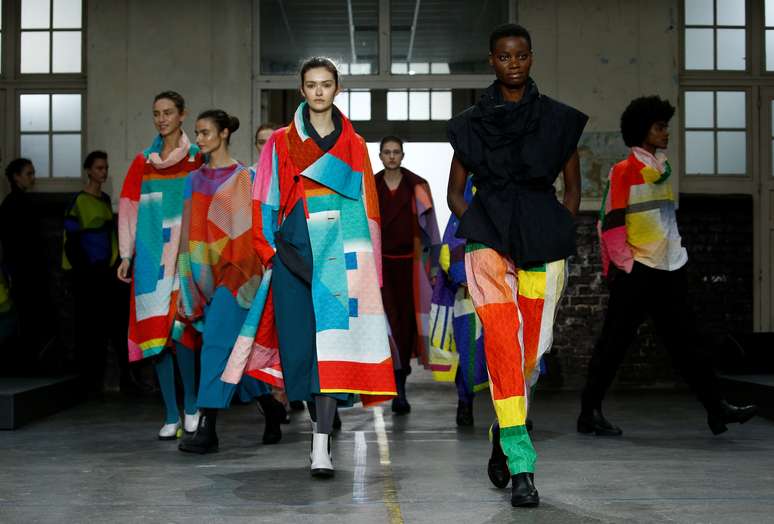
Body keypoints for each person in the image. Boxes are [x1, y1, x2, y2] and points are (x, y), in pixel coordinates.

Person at [446, 24, 587, 507]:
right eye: (504, 57)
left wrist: (558, 227)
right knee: (504, 347)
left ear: (531, 58)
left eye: (521, 56)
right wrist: (485, 226)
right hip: (488, 244)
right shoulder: (469, 124)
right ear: (492, 60)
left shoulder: (558, 121)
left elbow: (572, 189)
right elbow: (454, 192)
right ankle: (522, 466)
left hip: (542, 243)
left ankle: (502, 430)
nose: (513, 64)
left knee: (529, 357)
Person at [236, 57, 396, 478]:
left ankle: (321, 441)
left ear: (337, 89)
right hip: (291, 254)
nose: (319, 91)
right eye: (311, 85)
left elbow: (369, 207)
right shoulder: (281, 142)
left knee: (334, 352)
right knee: (301, 351)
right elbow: (264, 199)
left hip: (341, 257)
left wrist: (370, 271)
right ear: (302, 90)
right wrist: (267, 250)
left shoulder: (355, 144)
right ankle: (316, 428)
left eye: (326, 84)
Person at [578, 96, 757, 437]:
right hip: (638, 270)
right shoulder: (624, 171)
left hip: (670, 267)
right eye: (660, 127)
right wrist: (627, 266)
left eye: (665, 127)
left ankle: (716, 408)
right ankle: (589, 412)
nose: (666, 133)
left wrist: (678, 253)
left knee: (689, 342)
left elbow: (666, 219)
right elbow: (612, 224)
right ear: (642, 130)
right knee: (613, 343)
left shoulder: (663, 169)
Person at [117, 91, 202, 440]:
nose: (162, 118)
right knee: (157, 338)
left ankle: (192, 407)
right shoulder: (143, 162)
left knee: (182, 333)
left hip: (184, 255)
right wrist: (126, 254)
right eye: (157, 113)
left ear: (182, 115)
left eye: (168, 112)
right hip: (151, 259)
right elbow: (128, 207)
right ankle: (171, 414)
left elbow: (206, 202)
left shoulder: (196, 158)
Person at [374, 136, 441, 414]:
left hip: (412, 268)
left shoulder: (417, 185)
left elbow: (432, 227)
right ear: (380, 156)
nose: (391, 157)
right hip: (380, 268)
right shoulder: (371, 185)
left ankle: (400, 386)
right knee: (387, 325)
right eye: (387, 152)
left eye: (396, 152)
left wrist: (435, 266)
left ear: (402, 155)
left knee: (408, 327)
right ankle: (395, 387)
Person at [62, 151, 126, 392]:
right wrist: (84, 269)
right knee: (88, 326)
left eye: (106, 168)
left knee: (111, 325)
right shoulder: (78, 201)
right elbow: (71, 241)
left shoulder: (105, 199)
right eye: (99, 168)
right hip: (87, 273)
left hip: (106, 271)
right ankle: (87, 380)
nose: (104, 172)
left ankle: (112, 379)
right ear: (88, 170)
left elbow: (110, 235)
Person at [428, 176, 488, 427]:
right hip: (470, 290)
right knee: (469, 349)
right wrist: (464, 276)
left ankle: (517, 412)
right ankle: (465, 401)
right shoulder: (466, 192)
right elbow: (452, 242)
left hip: (508, 285)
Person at [0, 159, 53, 372]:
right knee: (26, 316)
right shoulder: (17, 204)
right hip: (25, 268)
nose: (33, 178)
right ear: (16, 176)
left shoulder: (11, 203)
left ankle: (24, 361)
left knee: (25, 316)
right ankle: (25, 362)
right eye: (28, 173)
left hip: (22, 268)